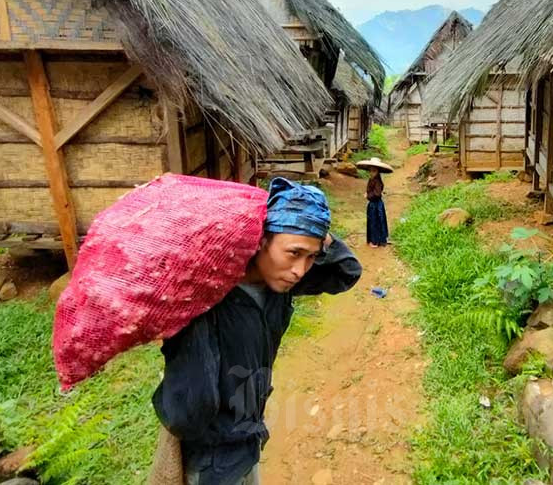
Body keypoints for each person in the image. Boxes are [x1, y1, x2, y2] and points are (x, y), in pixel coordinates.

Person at [150, 178, 362, 485]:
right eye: (293, 253)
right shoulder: (211, 299)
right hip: (214, 459)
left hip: (249, 437)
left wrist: (313, 226)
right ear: (260, 241)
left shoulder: (280, 284)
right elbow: (188, 411)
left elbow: (348, 272)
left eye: (311, 257)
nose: (301, 270)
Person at [366, 165, 388, 247]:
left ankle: (375, 241)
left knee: (375, 222)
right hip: (373, 204)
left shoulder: (377, 181)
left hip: (376, 205)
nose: (371, 173)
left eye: (374, 171)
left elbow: (377, 194)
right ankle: (376, 239)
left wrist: (368, 196)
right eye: (370, 171)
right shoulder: (371, 180)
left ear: (377, 172)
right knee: (374, 221)